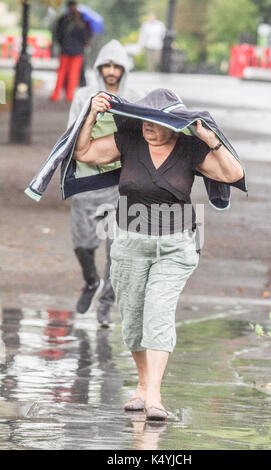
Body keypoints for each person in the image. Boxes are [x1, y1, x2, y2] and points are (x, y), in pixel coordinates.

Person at [71, 91, 244, 420]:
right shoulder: (130, 140)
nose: (149, 126)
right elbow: (84, 152)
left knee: (158, 313)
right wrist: (90, 114)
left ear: (172, 124)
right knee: (134, 318)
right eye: (145, 120)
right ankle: (142, 385)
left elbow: (233, 174)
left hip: (174, 247)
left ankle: (154, 397)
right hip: (129, 243)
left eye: (157, 121)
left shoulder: (190, 149)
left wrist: (212, 139)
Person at [67, 40, 144, 326]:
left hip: (120, 182)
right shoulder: (83, 96)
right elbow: (70, 133)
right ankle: (91, 282)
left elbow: (147, 136)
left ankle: (106, 303)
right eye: (107, 65)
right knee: (82, 243)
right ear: (99, 68)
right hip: (87, 178)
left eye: (117, 66)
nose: (111, 71)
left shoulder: (137, 97)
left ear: (125, 69)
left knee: (116, 247)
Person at [50, 0, 92, 102]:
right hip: (74, 51)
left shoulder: (65, 19)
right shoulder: (81, 20)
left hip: (70, 50)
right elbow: (86, 37)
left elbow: (58, 35)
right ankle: (67, 96)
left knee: (65, 73)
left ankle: (60, 95)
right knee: (69, 74)